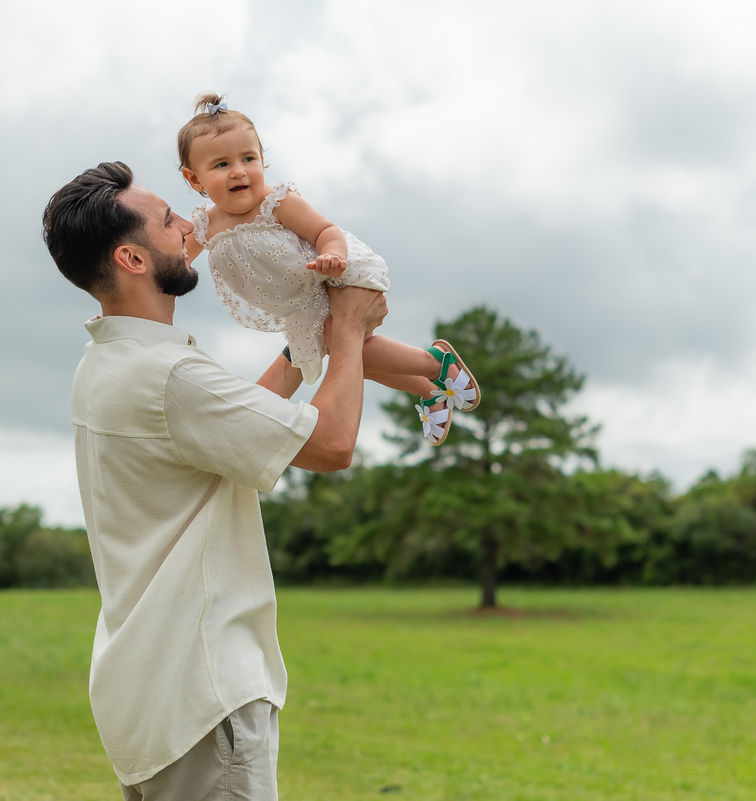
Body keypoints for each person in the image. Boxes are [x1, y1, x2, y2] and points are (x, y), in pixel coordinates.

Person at [41, 161, 388, 800]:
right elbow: (332, 445)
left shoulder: (108, 364)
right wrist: (347, 328)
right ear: (132, 258)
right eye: (170, 220)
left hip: (151, 695)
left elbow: (233, 427)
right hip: (203, 700)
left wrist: (298, 346)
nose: (189, 225)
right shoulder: (170, 376)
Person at [178, 92, 481, 446]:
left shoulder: (275, 202)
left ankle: (436, 363)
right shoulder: (204, 226)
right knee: (350, 359)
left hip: (335, 277)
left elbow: (325, 230)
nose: (239, 171)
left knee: (345, 349)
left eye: (249, 158)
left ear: (263, 160)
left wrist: (332, 255)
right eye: (221, 165)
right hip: (301, 303)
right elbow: (176, 261)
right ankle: (429, 389)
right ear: (195, 179)